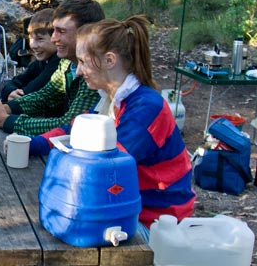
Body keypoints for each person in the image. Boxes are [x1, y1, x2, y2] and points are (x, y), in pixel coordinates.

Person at [36, 15, 196, 232]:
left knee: (58, 233)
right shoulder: (111, 98)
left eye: (83, 62)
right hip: (128, 205)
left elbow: (107, 168)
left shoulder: (146, 109)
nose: (80, 71)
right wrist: (33, 144)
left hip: (157, 219)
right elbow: (74, 130)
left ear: (109, 60)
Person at [0, 0, 105, 136]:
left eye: (61, 31)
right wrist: (4, 108)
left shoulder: (96, 70)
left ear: (86, 34)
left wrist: (5, 120)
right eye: (54, 30)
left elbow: (71, 125)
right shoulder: (67, 62)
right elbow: (44, 97)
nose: (54, 38)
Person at [0, 8, 61, 103]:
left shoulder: (58, 62)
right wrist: (10, 92)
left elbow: (30, 92)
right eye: (30, 38)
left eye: (40, 39)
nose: (32, 45)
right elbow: (17, 81)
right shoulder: (41, 61)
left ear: (56, 38)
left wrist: (14, 97)